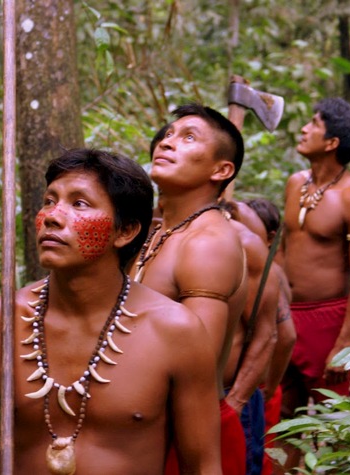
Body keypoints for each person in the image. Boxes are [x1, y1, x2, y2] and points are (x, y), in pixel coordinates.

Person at [0, 149, 223, 475]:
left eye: (79, 204)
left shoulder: (176, 332)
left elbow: (202, 466)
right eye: (49, 200)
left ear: (125, 231)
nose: (52, 216)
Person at [134, 104, 249, 475]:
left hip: (186, 436)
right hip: (145, 425)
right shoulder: (158, 232)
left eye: (188, 137)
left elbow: (194, 368)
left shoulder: (207, 243)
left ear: (221, 170)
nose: (167, 143)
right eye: (168, 134)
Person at [278, 98, 350, 472]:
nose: (304, 129)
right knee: (285, 413)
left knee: (334, 418)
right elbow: (284, 250)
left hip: (328, 320)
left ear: (332, 142)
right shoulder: (294, 184)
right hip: (286, 314)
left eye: (314, 123)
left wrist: (344, 344)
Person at [219, 199, 279, 475]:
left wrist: (238, 402)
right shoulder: (158, 234)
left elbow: (277, 334)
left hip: (227, 397)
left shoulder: (246, 245)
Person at [236, 198, 296, 475]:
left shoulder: (270, 273)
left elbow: (285, 336)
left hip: (258, 384)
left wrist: (269, 385)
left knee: (259, 455)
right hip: (256, 383)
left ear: (269, 238)